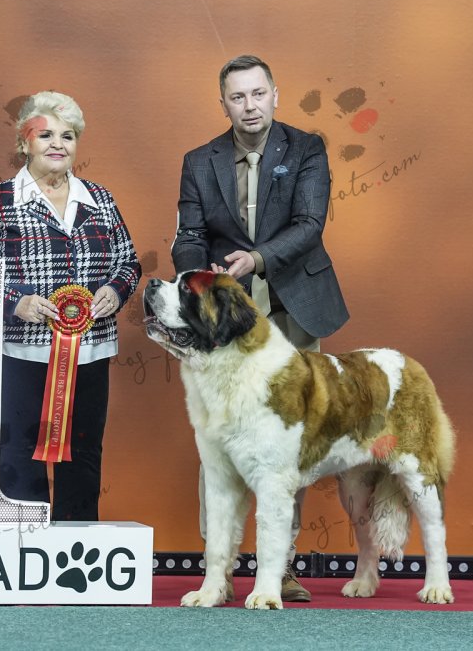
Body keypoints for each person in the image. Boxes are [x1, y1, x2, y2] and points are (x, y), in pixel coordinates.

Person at [172, 55, 349, 602]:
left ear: (275, 94)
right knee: (218, 437)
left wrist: (255, 259)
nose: (249, 106)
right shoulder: (199, 161)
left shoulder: (306, 149)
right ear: (223, 103)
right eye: (237, 97)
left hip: (293, 308)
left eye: (257, 94)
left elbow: (309, 225)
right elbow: (189, 234)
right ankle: (218, 568)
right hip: (227, 321)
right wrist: (202, 276)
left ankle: (282, 565)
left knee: (287, 445)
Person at [0, 91, 141, 521]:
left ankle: (77, 546)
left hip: (91, 352)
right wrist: (16, 302)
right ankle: (25, 548)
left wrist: (116, 291)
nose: (58, 144)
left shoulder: (101, 200)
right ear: (24, 143)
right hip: (21, 356)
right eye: (46, 135)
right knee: (20, 455)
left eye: (68, 136)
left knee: (84, 456)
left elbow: (129, 263)